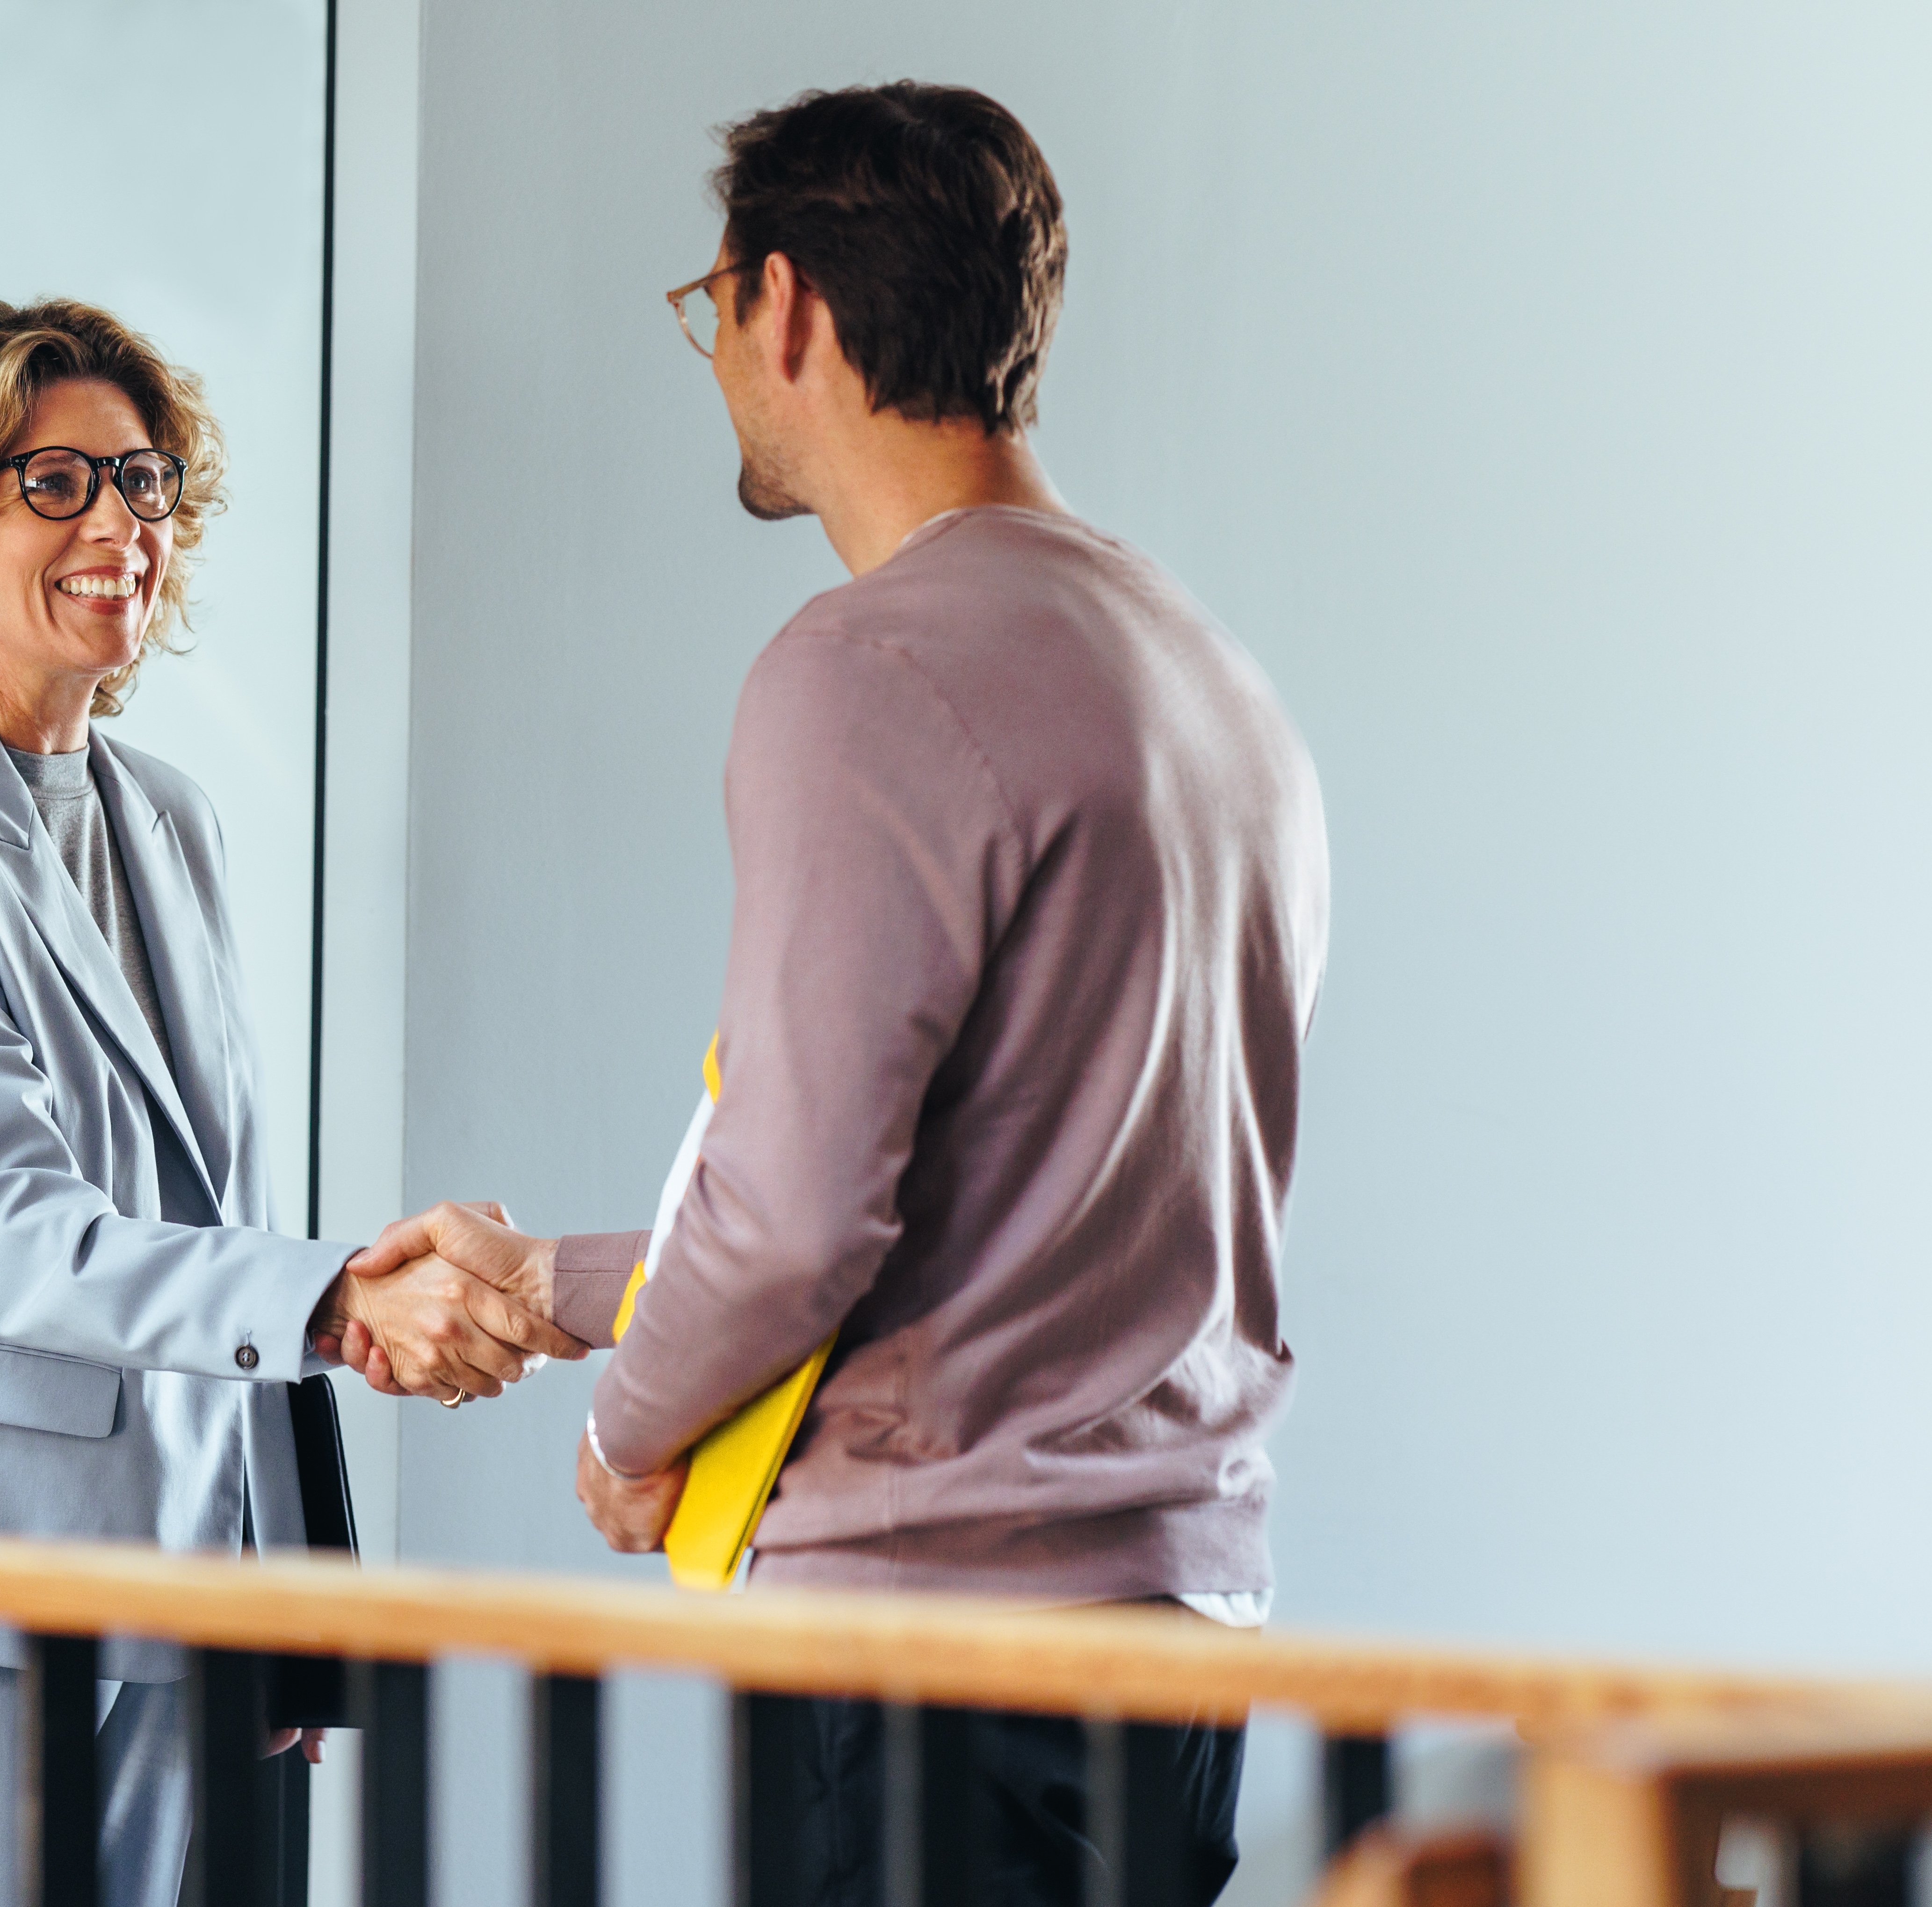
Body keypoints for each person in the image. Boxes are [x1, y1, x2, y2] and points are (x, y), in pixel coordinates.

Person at [329, 84, 1331, 1907]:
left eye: (710, 310)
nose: (715, 354)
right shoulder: (1203, 681)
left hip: (934, 1647)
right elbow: (981, 1204)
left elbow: (798, 1220)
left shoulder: (863, 669)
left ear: (782, 307)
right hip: (1176, 1633)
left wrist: (626, 1437)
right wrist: (550, 1287)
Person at [0, 298, 580, 1907]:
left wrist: (286, 1589)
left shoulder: (171, 821)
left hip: (158, 1582)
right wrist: (346, 1294)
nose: (116, 524)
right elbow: (9, 1237)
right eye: (52, 482)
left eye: (139, 482)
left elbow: (219, 1212)